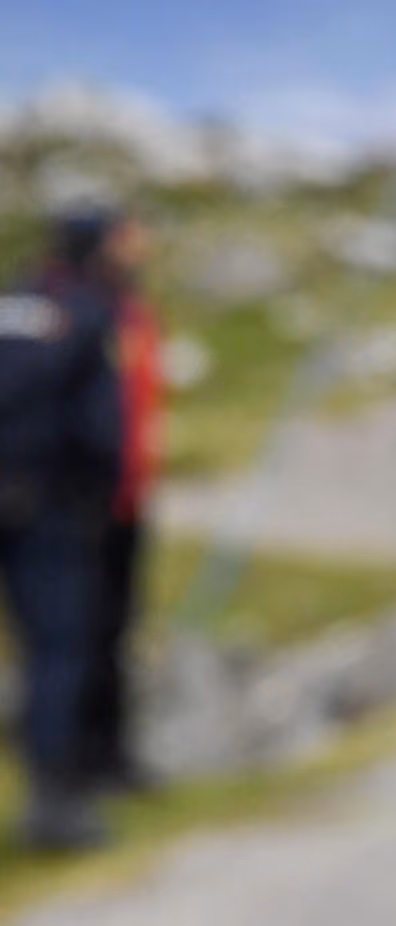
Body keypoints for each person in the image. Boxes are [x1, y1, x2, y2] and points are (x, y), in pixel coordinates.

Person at [0, 217, 126, 850]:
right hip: (46, 509)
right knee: (57, 651)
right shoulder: (84, 314)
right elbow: (101, 426)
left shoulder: (8, 305)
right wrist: (100, 501)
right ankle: (53, 805)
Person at [37, 207, 165, 794]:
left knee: (107, 632)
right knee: (75, 637)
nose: (137, 246)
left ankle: (105, 756)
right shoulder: (84, 314)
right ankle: (74, 770)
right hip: (82, 504)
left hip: (118, 497)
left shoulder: (118, 308)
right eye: (124, 236)